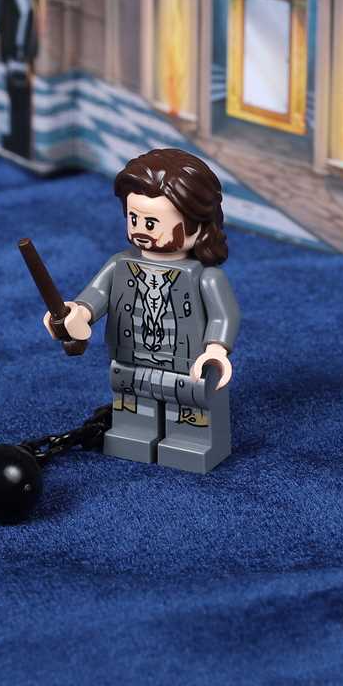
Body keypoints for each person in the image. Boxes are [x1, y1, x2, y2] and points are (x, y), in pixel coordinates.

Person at [44, 148, 240, 473]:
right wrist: (75, 313)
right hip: (131, 358)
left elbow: (223, 315)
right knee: (132, 400)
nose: (140, 230)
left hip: (186, 365)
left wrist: (216, 350)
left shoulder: (205, 277)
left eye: (152, 223)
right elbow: (96, 295)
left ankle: (191, 441)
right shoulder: (119, 265)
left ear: (196, 226)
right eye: (134, 219)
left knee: (191, 404)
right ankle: (133, 433)